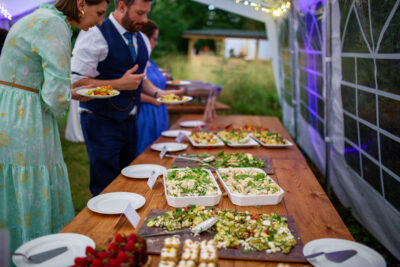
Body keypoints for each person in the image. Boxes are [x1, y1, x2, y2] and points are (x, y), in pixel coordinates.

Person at [0, 0, 109, 253]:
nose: (100, 21)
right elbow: (55, 98)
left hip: (10, 108)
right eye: (100, 13)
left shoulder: (41, 17)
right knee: (32, 182)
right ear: (81, 4)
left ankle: (12, 248)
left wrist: (65, 91)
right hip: (24, 116)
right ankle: (36, 251)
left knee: (13, 184)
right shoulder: (55, 26)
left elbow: (38, 79)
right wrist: (71, 94)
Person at [71, 0, 181, 196]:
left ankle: (123, 224)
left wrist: (158, 92)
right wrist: (119, 84)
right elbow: (77, 83)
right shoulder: (94, 33)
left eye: (147, 13)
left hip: (131, 121)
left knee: (128, 178)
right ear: (122, 7)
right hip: (100, 119)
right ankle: (99, 226)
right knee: (105, 184)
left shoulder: (142, 39)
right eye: (140, 13)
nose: (145, 20)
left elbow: (140, 78)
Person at [135, 20, 169, 156]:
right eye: (154, 39)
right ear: (144, 38)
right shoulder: (137, 61)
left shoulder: (151, 62)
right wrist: (153, 100)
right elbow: (133, 90)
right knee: (145, 153)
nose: (156, 43)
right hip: (145, 114)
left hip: (159, 113)